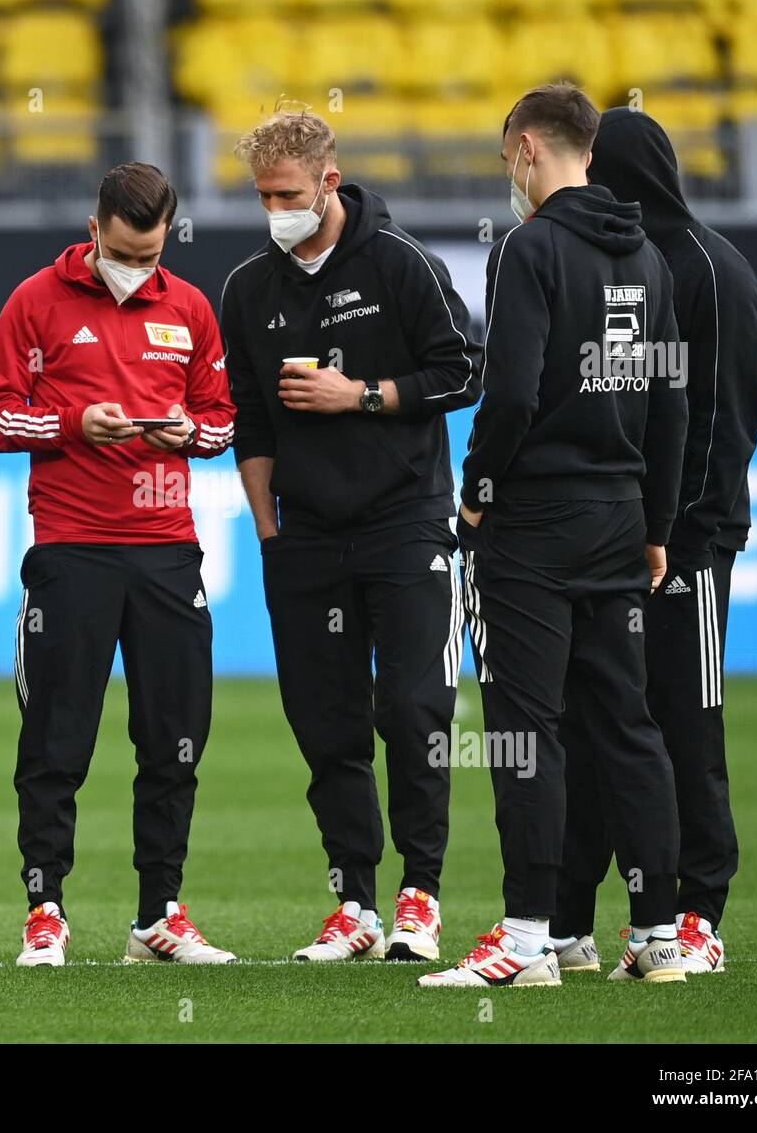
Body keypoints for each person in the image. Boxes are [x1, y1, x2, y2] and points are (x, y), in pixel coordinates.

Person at [420, 84, 689, 987]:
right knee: (628, 726)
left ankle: (528, 938)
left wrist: (475, 497)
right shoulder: (646, 256)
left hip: (532, 526)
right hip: (619, 521)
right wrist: (656, 524)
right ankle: (658, 935)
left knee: (524, 730)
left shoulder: (531, 249)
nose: (510, 177)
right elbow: (668, 403)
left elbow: (514, 392)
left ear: (530, 148)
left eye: (507, 161)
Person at [223, 108, 481, 963]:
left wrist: (362, 396)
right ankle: (355, 905)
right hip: (303, 539)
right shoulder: (247, 289)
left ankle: (421, 895)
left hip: (403, 524)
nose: (274, 209)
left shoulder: (401, 263)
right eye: (262, 195)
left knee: (413, 709)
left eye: (287, 193)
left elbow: (464, 370)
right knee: (325, 727)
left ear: (329, 182)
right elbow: (249, 420)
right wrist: (267, 526)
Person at [0, 162, 238, 967]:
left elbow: (223, 421)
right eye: (125, 252)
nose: (138, 268)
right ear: (95, 232)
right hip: (72, 548)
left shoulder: (189, 306)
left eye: (151, 255)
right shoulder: (35, 300)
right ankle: (45, 909)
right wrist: (73, 423)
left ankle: (159, 915)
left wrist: (182, 434)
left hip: (167, 549)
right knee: (57, 741)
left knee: (174, 739)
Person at [551, 109, 757, 976]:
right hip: (618, 545)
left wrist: (681, 536)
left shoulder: (711, 270)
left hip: (689, 549)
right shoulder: (624, 262)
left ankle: (697, 915)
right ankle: (578, 919)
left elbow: (723, 420)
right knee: (603, 730)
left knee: (689, 727)